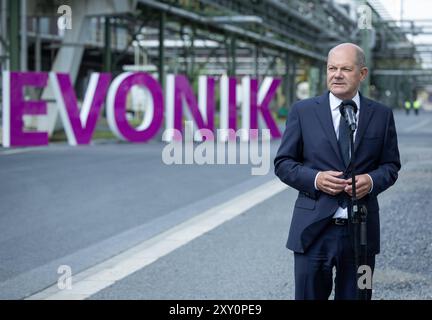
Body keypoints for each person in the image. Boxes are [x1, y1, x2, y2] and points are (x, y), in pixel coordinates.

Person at [274, 43, 401, 300]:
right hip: (312, 232)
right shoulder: (303, 111)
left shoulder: (381, 115)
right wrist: (316, 179)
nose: (337, 74)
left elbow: (391, 166)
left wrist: (372, 180)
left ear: (362, 74)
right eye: (332, 68)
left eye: (345, 68)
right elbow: (283, 163)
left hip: (362, 235)